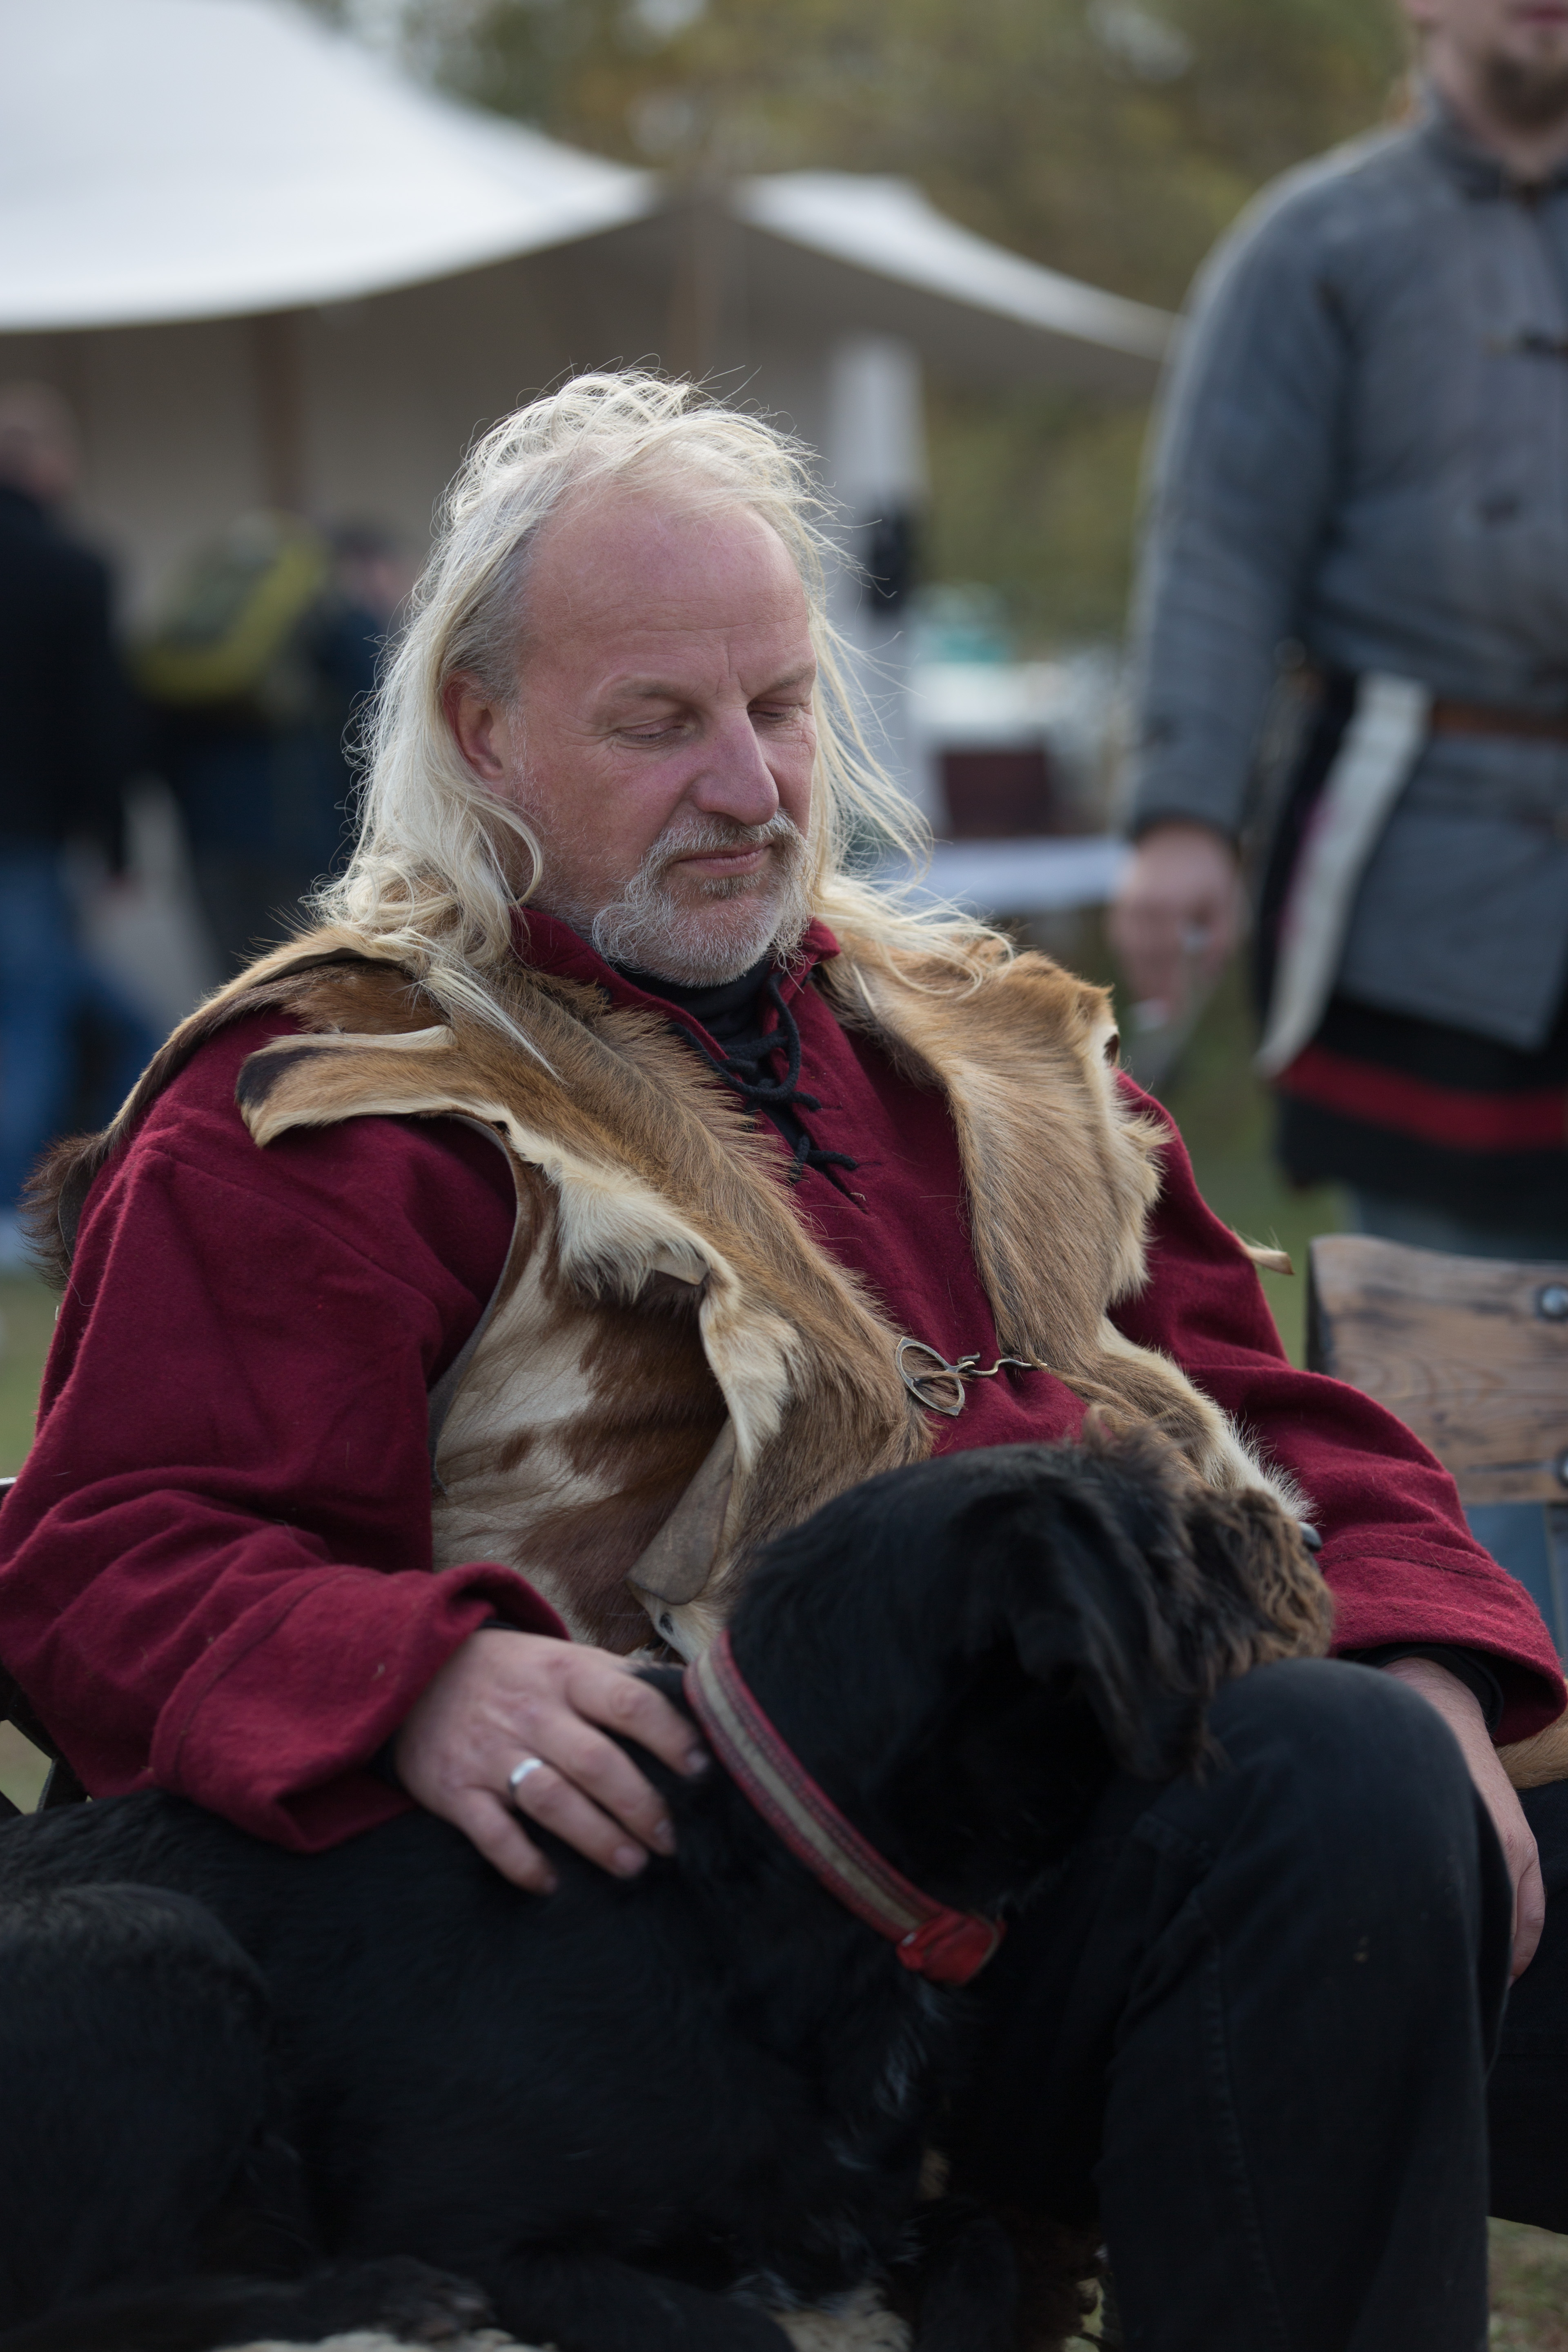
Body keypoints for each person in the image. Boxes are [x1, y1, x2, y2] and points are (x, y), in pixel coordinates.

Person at [0, 374, 1564, 2345]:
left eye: (782, 703)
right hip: (689, 1998)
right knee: (1335, 1795)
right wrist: (418, 1673)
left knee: (1406, 1787)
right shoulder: (329, 1102)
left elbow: (1266, 1420)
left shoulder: (996, 1048)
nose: (749, 784)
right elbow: (108, 1551)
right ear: (481, 730)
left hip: (1097, 1849)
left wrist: (1427, 1664)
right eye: (660, 721)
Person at [1111, 0, 1568, 1270]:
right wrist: (1185, 818)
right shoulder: (1315, 244)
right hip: (1419, 862)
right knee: (1443, 1330)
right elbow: (1222, 542)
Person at [0, 382, 155, 1267]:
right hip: (27, 842)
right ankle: (13, 1214)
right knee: (30, 1027)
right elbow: (100, 722)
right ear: (47, 464)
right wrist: (117, 843)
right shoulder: (73, 569)